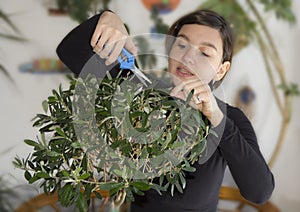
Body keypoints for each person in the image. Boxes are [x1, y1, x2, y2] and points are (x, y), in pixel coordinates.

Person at [56, 9, 274, 212]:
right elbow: (70, 50)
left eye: (205, 53)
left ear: (221, 69)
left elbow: (259, 191)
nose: (188, 57)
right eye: (181, 45)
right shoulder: (137, 91)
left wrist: (216, 117)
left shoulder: (229, 118)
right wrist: (109, 18)